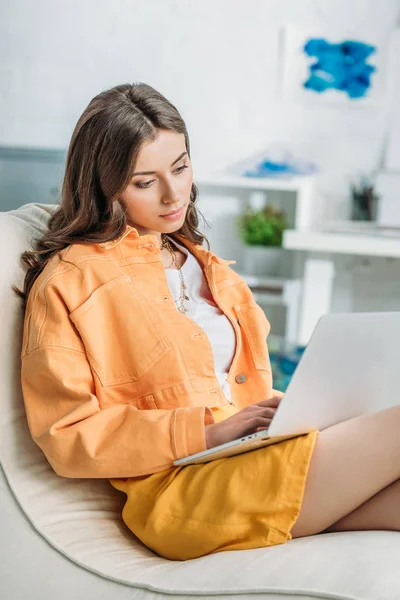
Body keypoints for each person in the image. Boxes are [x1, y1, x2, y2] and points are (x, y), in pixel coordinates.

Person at [15, 82, 400, 561]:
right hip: (182, 490)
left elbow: (237, 391)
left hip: (253, 456)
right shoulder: (70, 280)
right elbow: (66, 434)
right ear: (103, 183)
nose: (174, 193)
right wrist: (205, 432)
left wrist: (291, 410)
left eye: (180, 167)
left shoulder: (209, 267)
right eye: (144, 181)